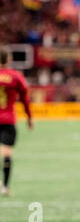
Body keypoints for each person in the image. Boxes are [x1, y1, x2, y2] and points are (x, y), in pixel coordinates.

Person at [0, 47, 33, 196]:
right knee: (6, 153)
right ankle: (5, 186)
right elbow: (25, 99)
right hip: (8, 120)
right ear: (10, 59)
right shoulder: (15, 76)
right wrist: (29, 117)